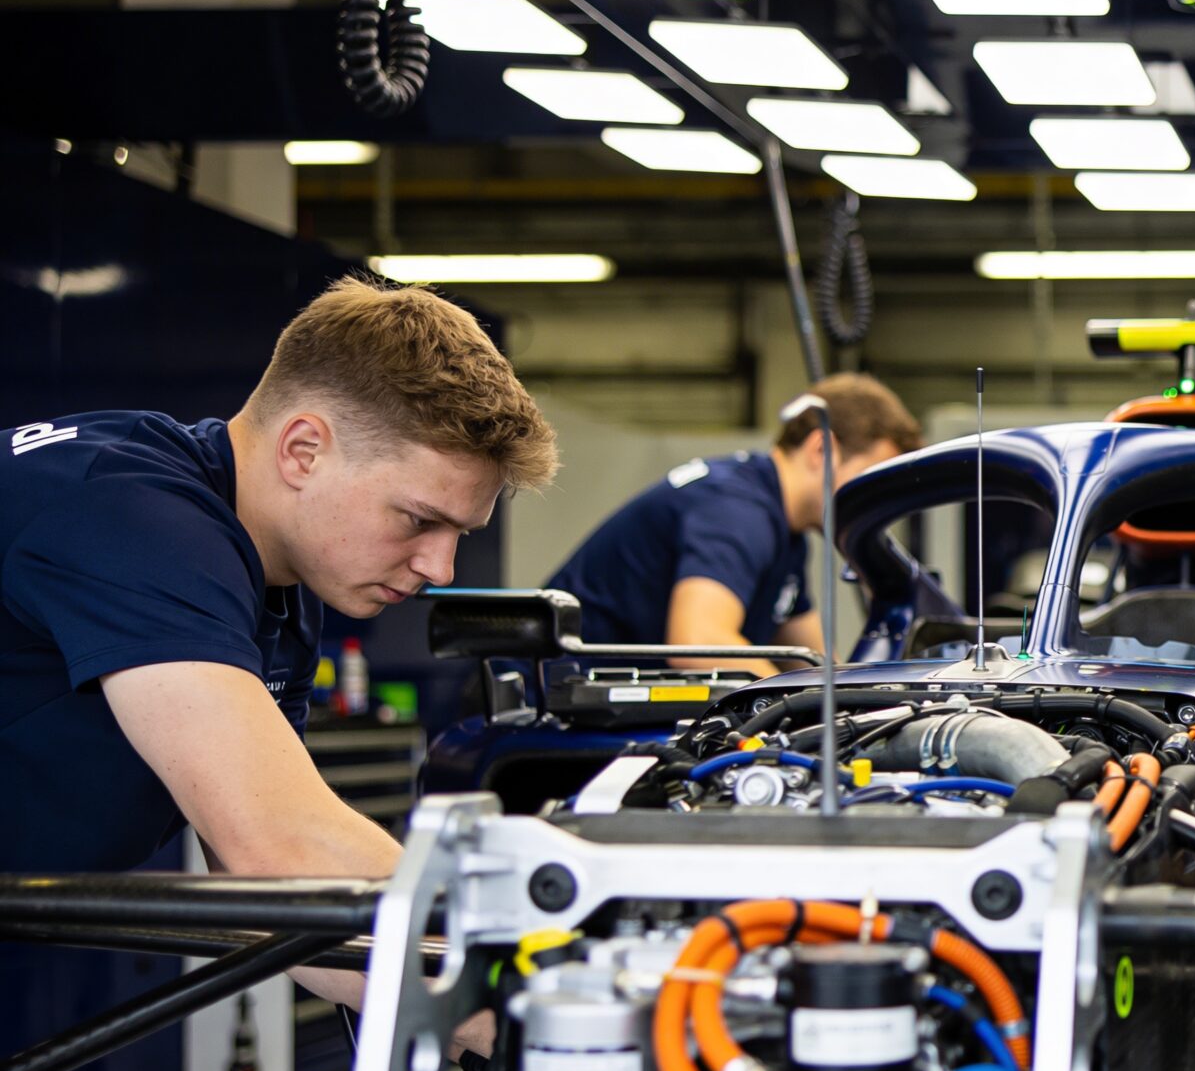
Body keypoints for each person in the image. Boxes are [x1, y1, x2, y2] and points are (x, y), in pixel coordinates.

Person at [1, 275, 557, 1012]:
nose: (440, 569)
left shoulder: (278, 585)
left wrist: (481, 1018)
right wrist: (526, 998)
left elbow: (281, 899)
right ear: (303, 450)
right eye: (420, 520)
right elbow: (283, 844)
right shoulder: (135, 520)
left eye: (460, 534)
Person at [545, 373, 919, 677]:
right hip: (546, 720)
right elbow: (698, 643)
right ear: (821, 448)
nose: (879, 501)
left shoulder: (784, 533)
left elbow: (816, 665)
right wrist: (799, 706)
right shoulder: (737, 510)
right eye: (872, 476)